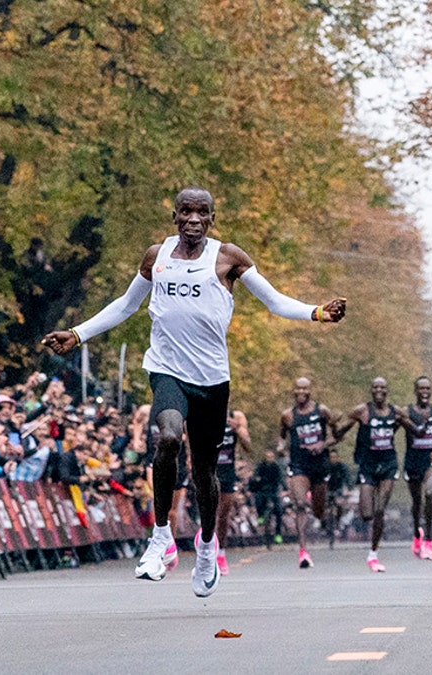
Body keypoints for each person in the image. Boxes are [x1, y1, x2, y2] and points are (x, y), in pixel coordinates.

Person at [42, 186, 346, 597]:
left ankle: (205, 546)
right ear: (174, 216)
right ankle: (161, 537)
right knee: (167, 438)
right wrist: (78, 334)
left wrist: (317, 312)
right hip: (167, 370)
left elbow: (273, 302)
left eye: (202, 213)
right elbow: (126, 305)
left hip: (211, 380)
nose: (193, 220)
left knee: (204, 473)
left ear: (212, 219)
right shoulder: (157, 256)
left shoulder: (228, 257)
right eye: (186, 211)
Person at [334, 377, 418, 572]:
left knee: (380, 509)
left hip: (388, 464)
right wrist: (335, 426)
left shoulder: (396, 412)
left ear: (387, 391)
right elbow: (339, 434)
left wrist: (423, 433)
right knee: (366, 514)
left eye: (382, 387)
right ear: (371, 390)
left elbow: (416, 432)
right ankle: (372, 545)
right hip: (368, 465)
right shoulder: (362, 411)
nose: (379, 390)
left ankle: (373, 554)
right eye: (375, 387)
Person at [279, 377, 338, 568]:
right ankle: (303, 551)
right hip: (299, 465)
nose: (301, 392)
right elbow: (281, 439)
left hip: (319, 465)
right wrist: (281, 448)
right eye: (298, 389)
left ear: (310, 391)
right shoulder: (287, 416)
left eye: (305, 389)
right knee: (300, 505)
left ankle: (320, 516)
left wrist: (322, 444)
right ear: (293, 391)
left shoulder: (322, 411)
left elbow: (334, 437)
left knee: (318, 511)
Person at [403, 376, 432, 561]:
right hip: (412, 460)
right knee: (417, 501)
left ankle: (429, 539)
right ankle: (417, 532)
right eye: (421, 389)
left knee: (428, 492)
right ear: (415, 391)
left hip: (430, 460)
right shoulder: (407, 412)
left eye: (428, 388)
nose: (425, 392)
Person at [215, 408, 250, 575]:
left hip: (228, 471)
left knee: (224, 513)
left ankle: (221, 553)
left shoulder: (236, 417)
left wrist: (238, 430)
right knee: (209, 511)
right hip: (209, 470)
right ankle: (207, 549)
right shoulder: (204, 412)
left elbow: (248, 446)